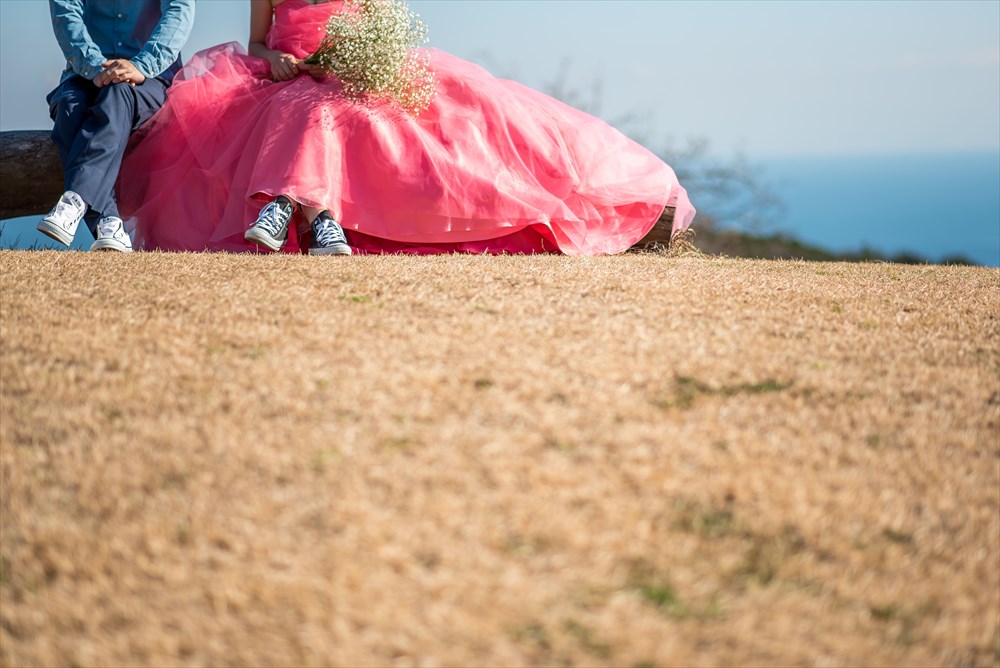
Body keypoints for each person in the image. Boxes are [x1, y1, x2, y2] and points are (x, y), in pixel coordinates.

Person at [118, 0, 696, 255]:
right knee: (299, 107)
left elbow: (384, 42)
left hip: (352, 78)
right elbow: (257, 43)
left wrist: (351, 65)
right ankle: (314, 221)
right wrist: (276, 60)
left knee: (326, 112)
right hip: (286, 79)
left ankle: (284, 207)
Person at [37, 0, 195, 252]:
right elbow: (66, 13)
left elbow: (179, 10)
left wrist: (142, 65)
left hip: (151, 76)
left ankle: (75, 199)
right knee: (68, 106)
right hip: (85, 71)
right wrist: (96, 65)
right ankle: (109, 222)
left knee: (117, 93)